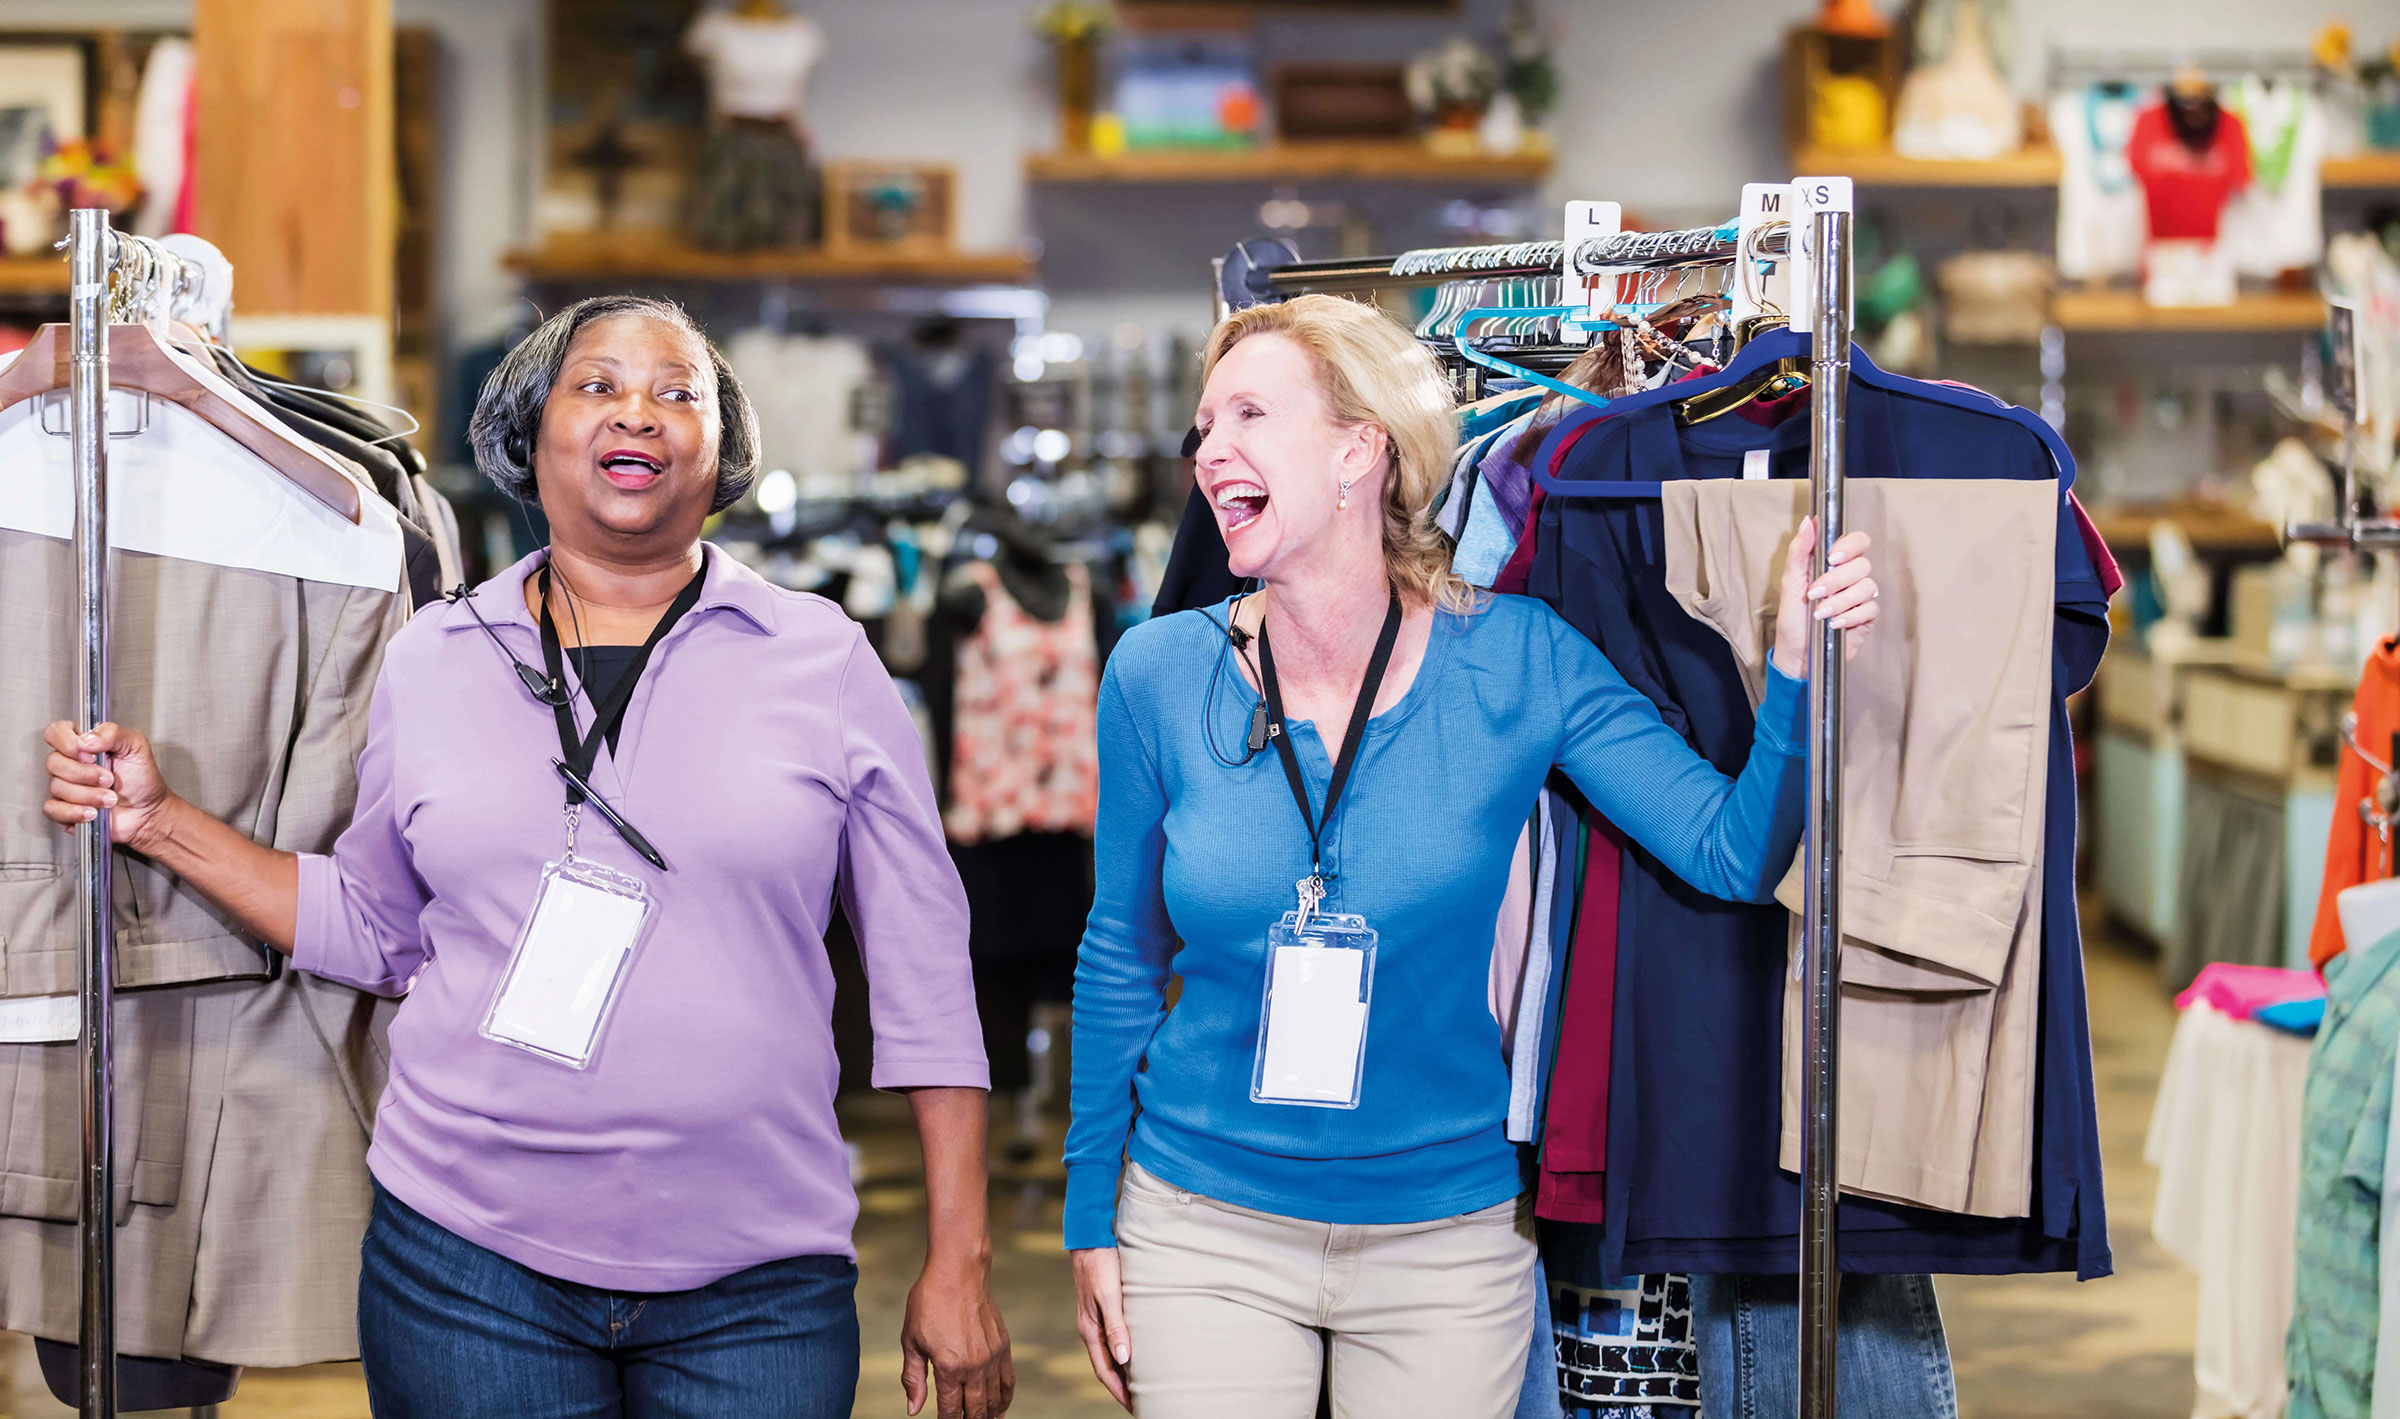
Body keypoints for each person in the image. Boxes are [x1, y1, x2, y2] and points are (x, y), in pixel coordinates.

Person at [42, 295, 1013, 1419]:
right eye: (597, 386)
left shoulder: (822, 658)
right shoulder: (435, 655)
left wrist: (960, 1259)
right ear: (527, 433)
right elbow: (374, 925)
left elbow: (927, 978)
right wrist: (159, 820)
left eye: (676, 392)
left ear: (722, 446)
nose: (637, 414)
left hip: (759, 1274)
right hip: (468, 1265)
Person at [1064, 295, 1880, 1418]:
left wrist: (1793, 671)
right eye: (1203, 427)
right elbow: (1118, 952)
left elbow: (1729, 851)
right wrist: (1086, 1217)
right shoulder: (1155, 673)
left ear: (1360, 449)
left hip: (1444, 1236)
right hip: (1203, 1220)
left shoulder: (1515, 660)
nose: (1211, 452)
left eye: (1249, 414)